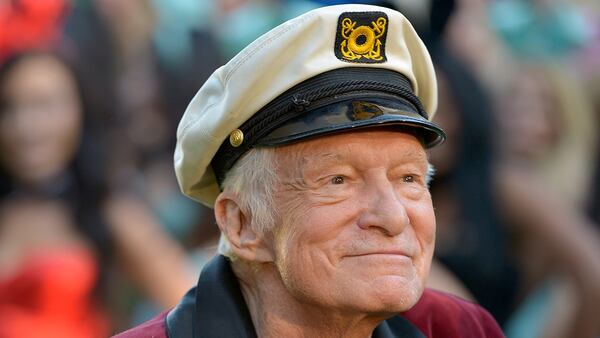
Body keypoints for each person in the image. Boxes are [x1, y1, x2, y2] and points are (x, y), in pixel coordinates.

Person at [114, 4, 504, 337]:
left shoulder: (457, 327)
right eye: (338, 181)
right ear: (241, 222)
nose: (393, 216)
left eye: (409, 179)